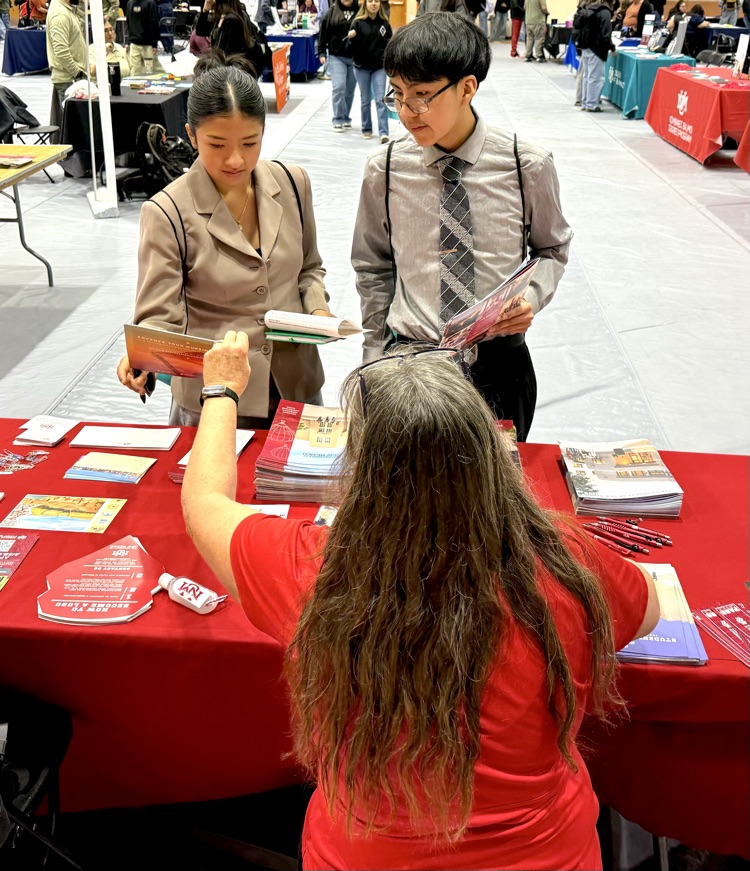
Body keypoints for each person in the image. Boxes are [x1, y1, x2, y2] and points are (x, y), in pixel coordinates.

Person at [181, 333, 660, 871]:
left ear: (362, 472)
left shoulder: (313, 571)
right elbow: (648, 609)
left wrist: (221, 390)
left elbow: (203, 502)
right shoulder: (564, 561)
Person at [352, 14, 572, 442]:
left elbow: (552, 248)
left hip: (498, 368)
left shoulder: (525, 164)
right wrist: (374, 357)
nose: (406, 113)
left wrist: (530, 297)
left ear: (467, 87)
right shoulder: (386, 168)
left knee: (492, 499)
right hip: (409, 368)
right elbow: (372, 264)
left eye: (421, 97)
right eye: (396, 95)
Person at [117, 52, 333, 428]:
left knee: (300, 487)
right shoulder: (168, 212)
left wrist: (317, 312)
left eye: (250, 143)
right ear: (190, 135)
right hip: (215, 400)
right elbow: (158, 317)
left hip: (297, 387)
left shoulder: (293, 183)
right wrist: (146, 357)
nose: (235, 159)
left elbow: (310, 267)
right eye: (217, 145)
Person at [348, 0, 392, 142]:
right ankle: (366, 128)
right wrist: (352, 38)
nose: (374, 4)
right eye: (370, 1)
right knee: (365, 99)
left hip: (379, 67)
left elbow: (390, 45)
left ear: (380, 4)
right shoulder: (358, 23)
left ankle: (384, 132)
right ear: (365, 4)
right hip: (361, 67)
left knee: (380, 99)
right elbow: (350, 48)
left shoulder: (385, 24)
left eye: (376, 1)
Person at [45, 0, 87, 142]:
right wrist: (77, 73)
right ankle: (73, 161)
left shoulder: (67, 9)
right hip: (69, 80)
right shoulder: (60, 14)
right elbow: (61, 51)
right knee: (73, 129)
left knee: (73, 126)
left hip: (72, 79)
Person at [197, 0, 269, 75]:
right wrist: (205, 10)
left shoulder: (232, 20)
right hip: (226, 68)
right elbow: (201, 31)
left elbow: (227, 52)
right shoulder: (221, 16)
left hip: (232, 71)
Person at [318, 0, 359, 132]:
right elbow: (323, 33)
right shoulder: (332, 12)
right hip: (336, 56)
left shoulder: (360, 12)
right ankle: (337, 118)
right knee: (339, 87)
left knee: (350, 90)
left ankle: (346, 117)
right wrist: (322, 52)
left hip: (354, 57)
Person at [579, 0, 613, 113]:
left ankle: (585, 102)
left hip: (585, 45)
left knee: (587, 76)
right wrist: (611, 47)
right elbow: (606, 33)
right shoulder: (604, 12)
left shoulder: (588, 8)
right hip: (597, 48)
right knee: (596, 78)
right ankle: (592, 104)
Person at [126, 0, 164, 75]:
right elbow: (128, 23)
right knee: (135, 72)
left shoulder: (150, 2)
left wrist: (154, 43)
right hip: (134, 44)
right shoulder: (130, 3)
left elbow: (153, 22)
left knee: (151, 73)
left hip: (148, 44)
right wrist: (129, 41)